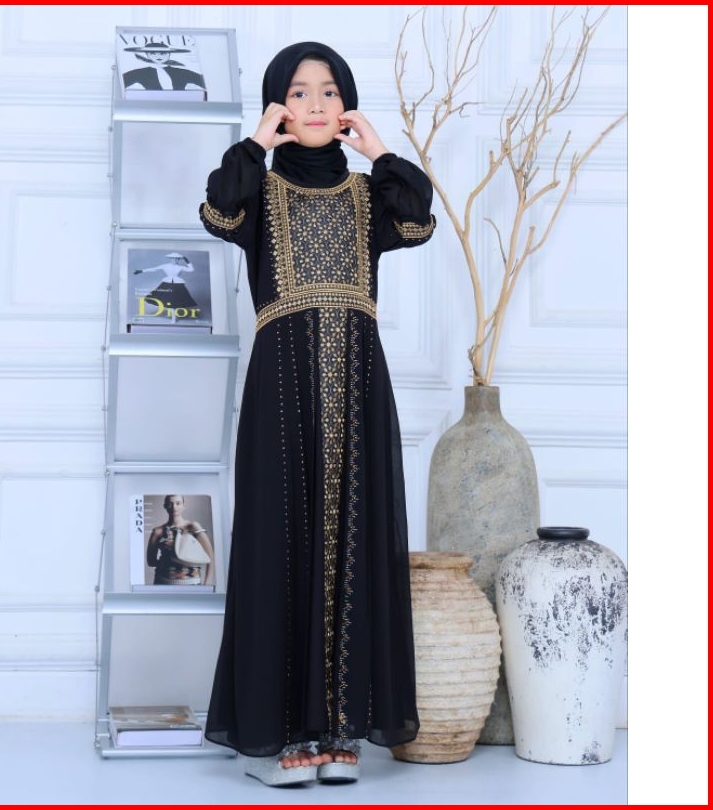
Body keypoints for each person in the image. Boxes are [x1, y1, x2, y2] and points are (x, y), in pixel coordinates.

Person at [198, 41, 436, 787]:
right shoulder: (260, 194)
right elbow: (219, 207)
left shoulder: (367, 197)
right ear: (277, 106)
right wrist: (256, 142)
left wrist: (380, 150)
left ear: (347, 107)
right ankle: (276, 741)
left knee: (352, 544)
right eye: (298, 93)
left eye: (330, 92)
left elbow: (416, 214)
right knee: (282, 544)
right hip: (282, 389)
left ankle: (336, 733)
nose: (315, 105)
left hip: (358, 389)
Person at [145, 494, 215, 586]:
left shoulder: (193, 527)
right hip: (162, 583)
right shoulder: (157, 531)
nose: (174, 507)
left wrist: (207, 584)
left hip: (192, 584)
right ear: (165, 506)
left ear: (183, 506)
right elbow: (151, 562)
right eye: (170, 504)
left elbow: (210, 557)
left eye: (178, 503)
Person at [121, 41, 207, 93]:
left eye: (163, 53)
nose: (158, 56)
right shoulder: (140, 73)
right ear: (147, 55)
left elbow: (204, 82)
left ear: (169, 54)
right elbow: (121, 83)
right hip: (151, 108)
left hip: (181, 108)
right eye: (153, 53)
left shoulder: (181, 72)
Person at [132, 252, 199, 313]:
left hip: (178, 285)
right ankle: (173, 316)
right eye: (173, 258)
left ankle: (173, 317)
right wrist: (141, 271)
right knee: (161, 297)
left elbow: (191, 270)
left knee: (176, 299)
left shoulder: (181, 267)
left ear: (179, 260)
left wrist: (187, 261)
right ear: (170, 259)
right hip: (167, 283)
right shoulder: (165, 266)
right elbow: (154, 269)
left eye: (177, 259)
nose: (175, 260)